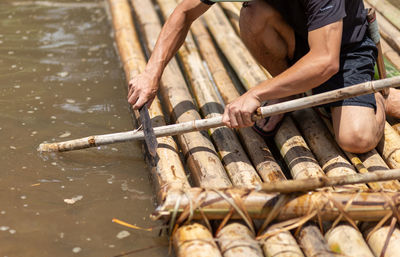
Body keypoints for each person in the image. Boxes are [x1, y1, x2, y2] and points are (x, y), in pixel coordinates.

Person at [127, 0, 400, 154]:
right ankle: (291, 88)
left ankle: (373, 95)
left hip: (343, 52)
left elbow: (325, 61)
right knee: (253, 15)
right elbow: (185, 12)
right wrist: (151, 73)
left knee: (356, 139)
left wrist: (256, 93)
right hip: (296, 39)